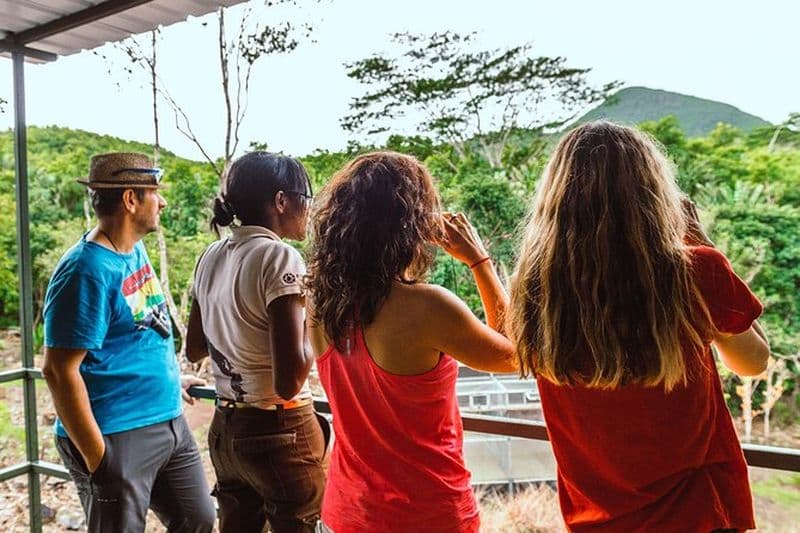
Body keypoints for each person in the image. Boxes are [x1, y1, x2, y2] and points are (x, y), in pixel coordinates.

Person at [507, 121, 770, 532]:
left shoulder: (535, 287)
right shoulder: (695, 270)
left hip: (594, 517)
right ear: (653, 192)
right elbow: (752, 362)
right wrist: (702, 241)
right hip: (697, 511)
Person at [305, 151, 518, 532]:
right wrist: (479, 261)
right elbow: (514, 355)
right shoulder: (426, 306)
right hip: (425, 514)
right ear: (412, 224)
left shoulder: (319, 300)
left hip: (344, 514)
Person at [42, 152, 215, 533]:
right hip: (116, 430)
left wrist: (169, 380)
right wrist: (99, 459)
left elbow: (138, 331)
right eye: (155, 192)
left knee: (199, 520)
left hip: (168, 420)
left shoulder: (132, 248)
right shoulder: (84, 270)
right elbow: (57, 369)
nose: (164, 201)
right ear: (130, 199)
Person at [186, 151, 327, 533]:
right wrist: (319, 328)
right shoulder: (279, 257)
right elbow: (289, 382)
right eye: (306, 196)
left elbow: (194, 349)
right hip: (278, 430)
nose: (309, 208)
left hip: (226, 432)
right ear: (281, 201)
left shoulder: (210, 256)